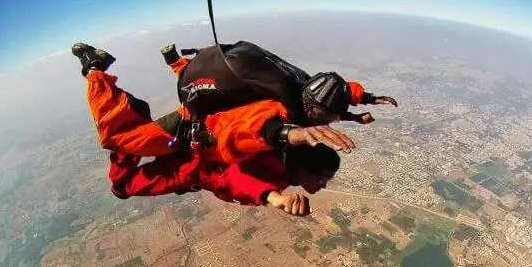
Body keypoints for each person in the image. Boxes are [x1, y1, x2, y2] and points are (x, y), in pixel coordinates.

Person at [71, 42, 398, 166]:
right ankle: (94, 68)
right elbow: (246, 127)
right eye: (326, 118)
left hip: (206, 70)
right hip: (194, 112)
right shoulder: (280, 108)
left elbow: (342, 90)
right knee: (121, 140)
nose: (327, 122)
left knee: (201, 84)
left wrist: (364, 100)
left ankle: (175, 62)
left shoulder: (303, 82)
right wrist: (284, 135)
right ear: (312, 111)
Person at [107, 141, 340, 217]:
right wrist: (273, 197)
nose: (323, 185)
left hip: (194, 170)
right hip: (189, 168)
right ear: (307, 168)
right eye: (322, 178)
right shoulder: (274, 163)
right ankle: (123, 142)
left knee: (126, 185)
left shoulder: (283, 162)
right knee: (123, 186)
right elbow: (240, 176)